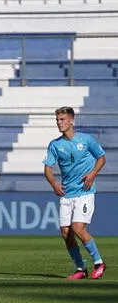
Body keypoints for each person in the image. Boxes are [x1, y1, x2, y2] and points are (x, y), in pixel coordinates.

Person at [43, 106, 107, 280]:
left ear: (71, 120)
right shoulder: (55, 144)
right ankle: (80, 268)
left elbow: (101, 157)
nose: (59, 123)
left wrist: (93, 174)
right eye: (57, 120)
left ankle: (99, 262)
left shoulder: (86, 140)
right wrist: (54, 184)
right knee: (65, 232)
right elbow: (47, 169)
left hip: (84, 192)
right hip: (66, 194)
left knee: (78, 228)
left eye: (62, 119)